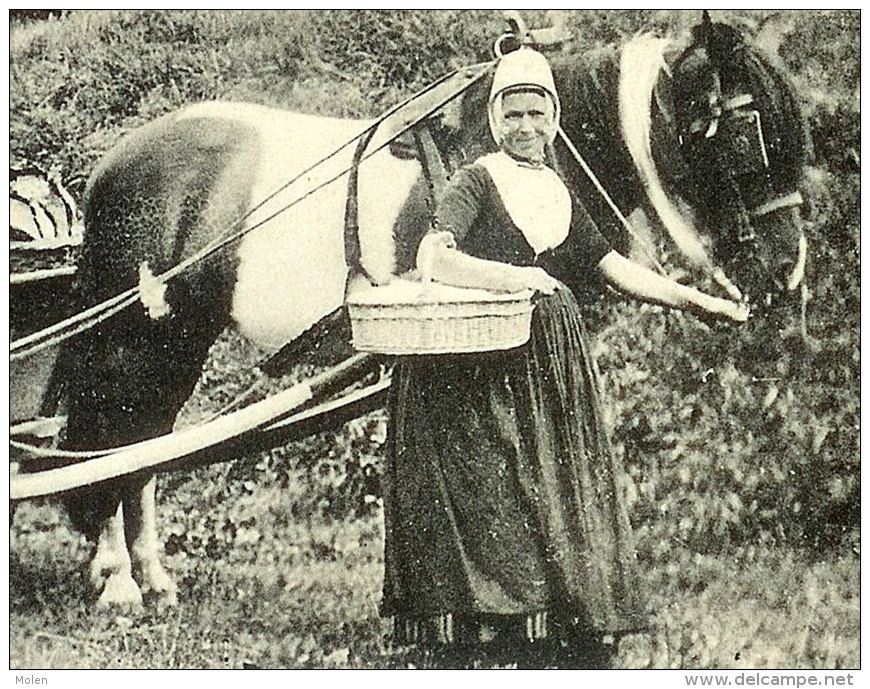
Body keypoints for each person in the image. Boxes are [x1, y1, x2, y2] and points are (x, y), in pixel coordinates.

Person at [380, 48, 748, 668]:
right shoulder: (478, 179)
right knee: (493, 489)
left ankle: (552, 624)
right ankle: (486, 630)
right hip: (481, 361)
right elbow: (434, 257)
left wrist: (694, 302)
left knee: (548, 485)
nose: (526, 126)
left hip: (549, 361)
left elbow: (613, 270)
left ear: (555, 117)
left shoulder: (555, 188)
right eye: (512, 112)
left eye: (537, 111)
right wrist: (517, 279)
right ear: (495, 118)